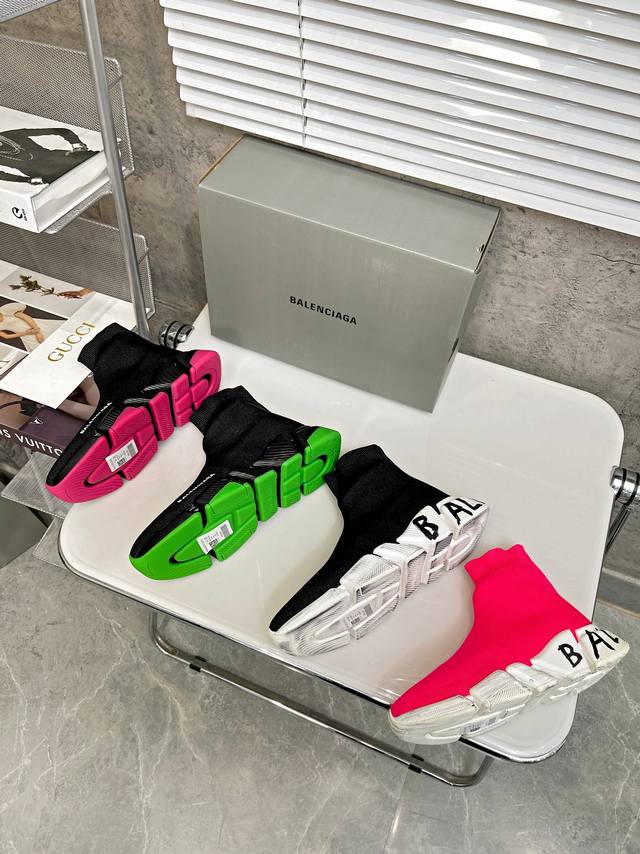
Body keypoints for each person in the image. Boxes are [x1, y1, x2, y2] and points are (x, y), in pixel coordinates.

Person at [0, 126, 98, 185]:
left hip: (59, 158)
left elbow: (61, 131)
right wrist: (26, 180)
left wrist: (78, 146)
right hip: (45, 174)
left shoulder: (10, 135)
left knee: (96, 160)